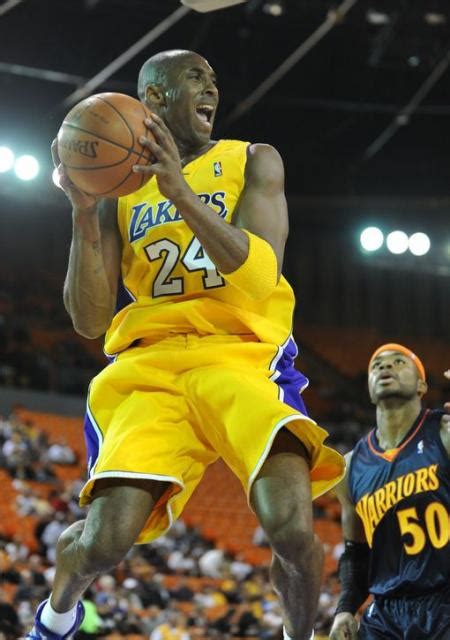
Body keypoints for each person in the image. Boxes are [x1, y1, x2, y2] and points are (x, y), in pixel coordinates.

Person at [27, 49, 345, 640]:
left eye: (215, 79)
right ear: (153, 98)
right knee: (104, 542)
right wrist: (81, 209)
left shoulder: (251, 160)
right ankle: (54, 620)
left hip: (241, 355)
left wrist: (179, 192)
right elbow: (90, 322)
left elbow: (258, 279)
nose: (212, 88)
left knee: (294, 530)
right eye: (196, 77)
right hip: (152, 366)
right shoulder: (116, 191)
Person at [329, 344, 450, 640]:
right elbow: (356, 554)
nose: (386, 367)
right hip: (386, 613)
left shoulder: (443, 434)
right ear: (370, 390)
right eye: (377, 365)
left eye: (399, 362)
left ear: (422, 385)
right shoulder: (350, 467)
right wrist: (345, 608)